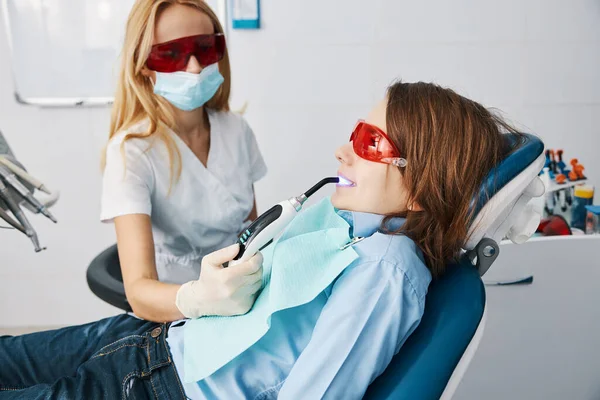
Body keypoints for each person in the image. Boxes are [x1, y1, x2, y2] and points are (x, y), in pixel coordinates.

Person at [0, 81, 517, 399]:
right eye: (355, 132)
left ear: (422, 189)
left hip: (162, 386)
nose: (342, 150)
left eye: (369, 143)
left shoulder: (386, 270)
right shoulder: (348, 222)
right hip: (157, 340)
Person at [101, 0, 267, 322]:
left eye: (204, 49)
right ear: (143, 64)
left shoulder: (236, 131)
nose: (193, 67)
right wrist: (203, 298)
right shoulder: (131, 151)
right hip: (175, 315)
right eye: (172, 53)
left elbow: (252, 230)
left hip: (245, 298)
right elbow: (138, 292)